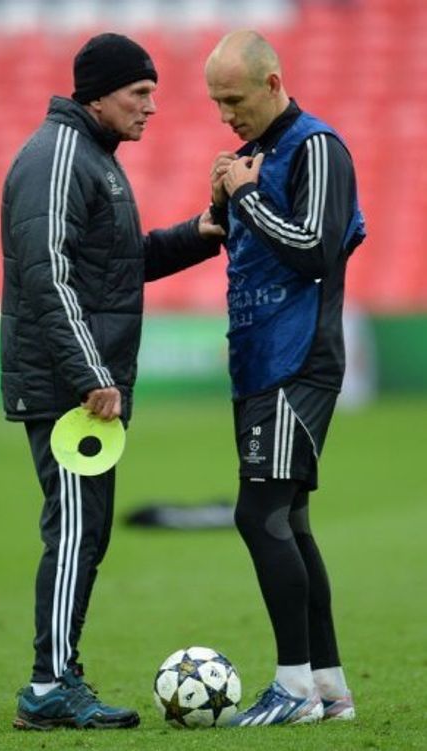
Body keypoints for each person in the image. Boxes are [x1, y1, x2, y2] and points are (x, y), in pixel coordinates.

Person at [0, 32, 223, 731]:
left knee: (87, 529)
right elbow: (47, 269)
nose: (151, 106)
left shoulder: (93, 159)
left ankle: (57, 675)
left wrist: (201, 230)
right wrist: (92, 373)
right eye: (139, 92)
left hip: (78, 380)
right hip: (68, 384)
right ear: (98, 93)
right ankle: (48, 686)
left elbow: (119, 266)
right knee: (74, 528)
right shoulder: (62, 156)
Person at [205, 29, 365, 726]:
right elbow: (253, 258)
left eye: (234, 99)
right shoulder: (251, 158)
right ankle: (329, 686)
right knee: (289, 518)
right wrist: (220, 207)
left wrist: (244, 199)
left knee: (259, 512)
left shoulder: (318, 146)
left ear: (272, 84)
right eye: (217, 103)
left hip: (298, 361)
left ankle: (293, 685)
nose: (226, 116)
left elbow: (315, 250)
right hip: (260, 360)